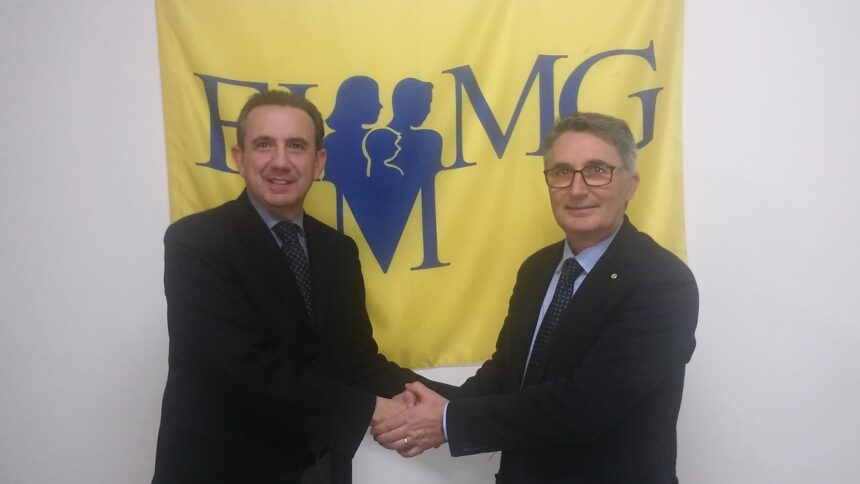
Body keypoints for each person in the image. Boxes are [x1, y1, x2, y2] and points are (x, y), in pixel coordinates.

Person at [373, 112, 699, 483]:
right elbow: (506, 375)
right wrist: (432, 410)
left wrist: (447, 421)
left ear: (631, 184)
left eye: (597, 170)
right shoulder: (537, 269)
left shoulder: (662, 282)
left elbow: (586, 406)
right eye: (562, 172)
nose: (577, 189)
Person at [152, 90, 440, 484]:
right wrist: (372, 408)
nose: (280, 161)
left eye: (296, 146)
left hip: (318, 470)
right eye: (264, 144)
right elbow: (241, 368)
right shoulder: (196, 242)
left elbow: (356, 362)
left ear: (318, 162)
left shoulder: (338, 250)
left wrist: (453, 408)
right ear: (239, 158)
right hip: (221, 469)